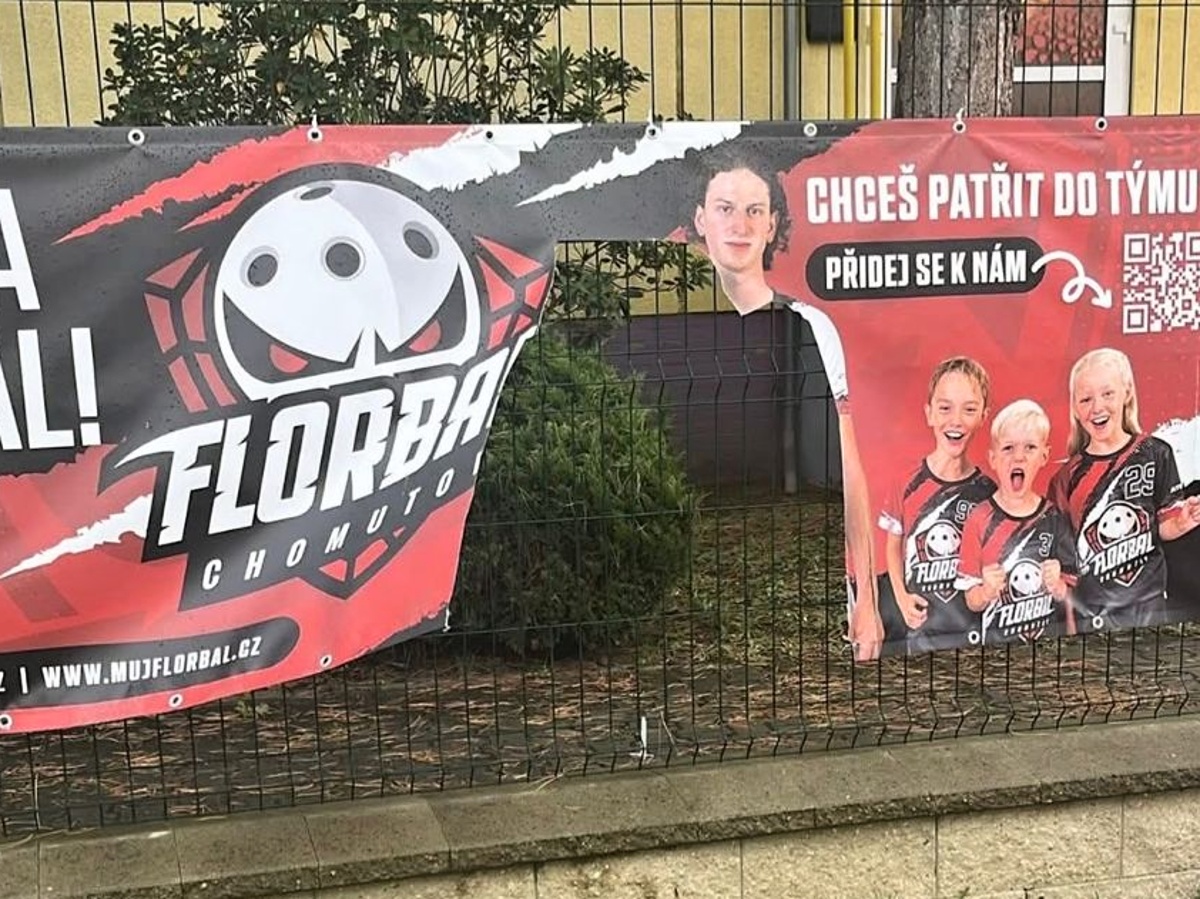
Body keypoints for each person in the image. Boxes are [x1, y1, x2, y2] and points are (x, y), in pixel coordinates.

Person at [686, 146, 882, 660]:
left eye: (754, 211)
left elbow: (859, 463)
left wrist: (866, 598)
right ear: (700, 219)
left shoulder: (822, 313)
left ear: (772, 224)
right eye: (726, 209)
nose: (741, 225)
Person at [1048, 347, 1200, 631]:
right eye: (1086, 399)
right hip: (1093, 620)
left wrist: (1182, 521)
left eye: (1108, 394)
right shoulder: (1065, 479)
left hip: (1151, 613)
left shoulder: (1155, 452)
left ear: (1127, 393)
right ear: (1075, 409)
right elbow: (1064, 560)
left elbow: (1163, 525)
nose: (1097, 407)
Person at [877, 357, 997, 654]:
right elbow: (892, 545)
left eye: (969, 410)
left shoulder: (988, 492)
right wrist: (901, 597)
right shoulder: (905, 482)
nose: (956, 420)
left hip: (969, 635)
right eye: (945, 408)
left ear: (983, 416)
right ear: (929, 413)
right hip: (917, 635)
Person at [956, 399, 1078, 645]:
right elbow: (971, 600)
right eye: (1008, 448)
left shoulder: (1054, 518)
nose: (1018, 457)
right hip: (997, 654)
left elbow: (1073, 595)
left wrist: (1058, 586)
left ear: (1044, 456)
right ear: (992, 458)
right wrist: (986, 591)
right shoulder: (979, 519)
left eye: (1030, 447)